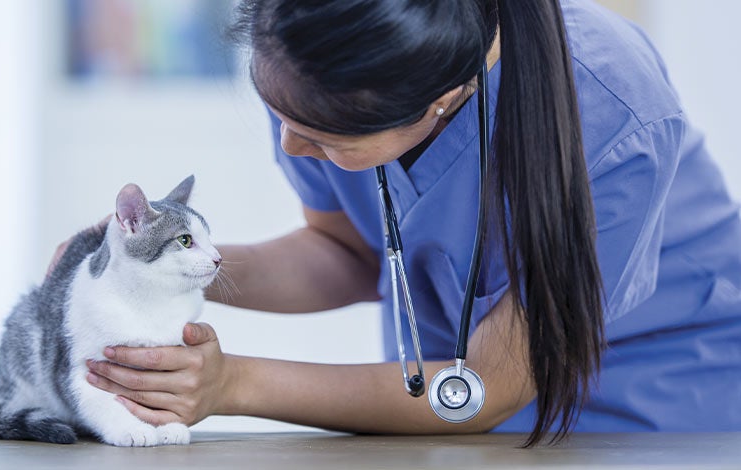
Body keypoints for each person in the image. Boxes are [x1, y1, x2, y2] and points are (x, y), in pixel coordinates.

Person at [70, 0, 741, 446]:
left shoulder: (616, 116)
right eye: (285, 118)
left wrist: (230, 384)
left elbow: (492, 384)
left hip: (657, 408)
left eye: (326, 139)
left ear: (445, 101)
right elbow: (346, 253)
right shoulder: (317, 48)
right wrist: (153, 267)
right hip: (442, 420)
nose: (292, 149)